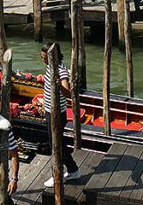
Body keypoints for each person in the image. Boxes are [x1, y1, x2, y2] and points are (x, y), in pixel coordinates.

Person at [39, 44, 80, 187]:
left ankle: (60, 174)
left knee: (55, 145)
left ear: (51, 57)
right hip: (50, 111)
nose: (42, 59)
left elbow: (68, 93)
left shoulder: (60, 70)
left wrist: (59, 85)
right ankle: (72, 169)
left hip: (57, 113)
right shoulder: (51, 66)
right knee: (58, 143)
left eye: (44, 57)